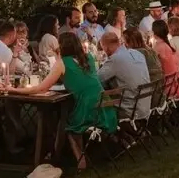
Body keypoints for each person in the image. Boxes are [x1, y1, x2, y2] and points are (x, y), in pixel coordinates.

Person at [10, 32, 116, 170]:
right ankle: (59, 155)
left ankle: (79, 161)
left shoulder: (62, 63)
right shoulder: (88, 57)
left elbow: (41, 88)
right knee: (64, 117)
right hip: (104, 107)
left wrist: (14, 90)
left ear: (61, 46)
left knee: (68, 126)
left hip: (87, 110)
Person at [97, 31, 151, 119]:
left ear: (106, 48)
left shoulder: (115, 59)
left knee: (95, 101)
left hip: (131, 111)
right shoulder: (138, 53)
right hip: (145, 107)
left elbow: (97, 79)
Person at [152, 19, 179, 98]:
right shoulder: (167, 45)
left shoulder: (158, 47)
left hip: (167, 86)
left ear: (154, 33)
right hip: (174, 82)